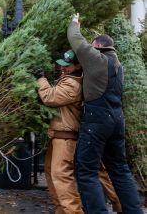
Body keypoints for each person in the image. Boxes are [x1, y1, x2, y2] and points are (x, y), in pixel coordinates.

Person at [67, 13, 143, 214]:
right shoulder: (119, 66)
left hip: (97, 120)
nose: (90, 48)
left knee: (86, 171)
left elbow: (75, 38)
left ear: (98, 47)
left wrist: (75, 21)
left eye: (92, 45)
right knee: (119, 169)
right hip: (117, 120)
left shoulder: (97, 59)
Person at [32, 50, 122, 214]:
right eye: (62, 65)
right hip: (59, 135)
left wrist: (41, 79)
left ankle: (73, 211)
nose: (62, 68)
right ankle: (62, 209)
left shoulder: (74, 84)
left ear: (79, 65)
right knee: (52, 173)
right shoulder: (69, 79)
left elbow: (50, 97)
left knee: (61, 176)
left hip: (66, 138)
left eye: (68, 66)